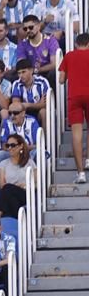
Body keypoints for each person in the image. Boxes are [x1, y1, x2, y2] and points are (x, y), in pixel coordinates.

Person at [62, 31, 89, 183]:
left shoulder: (69, 56)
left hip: (74, 97)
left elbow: (60, 80)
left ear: (76, 44)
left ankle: (81, 174)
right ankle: (88, 160)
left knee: (76, 135)